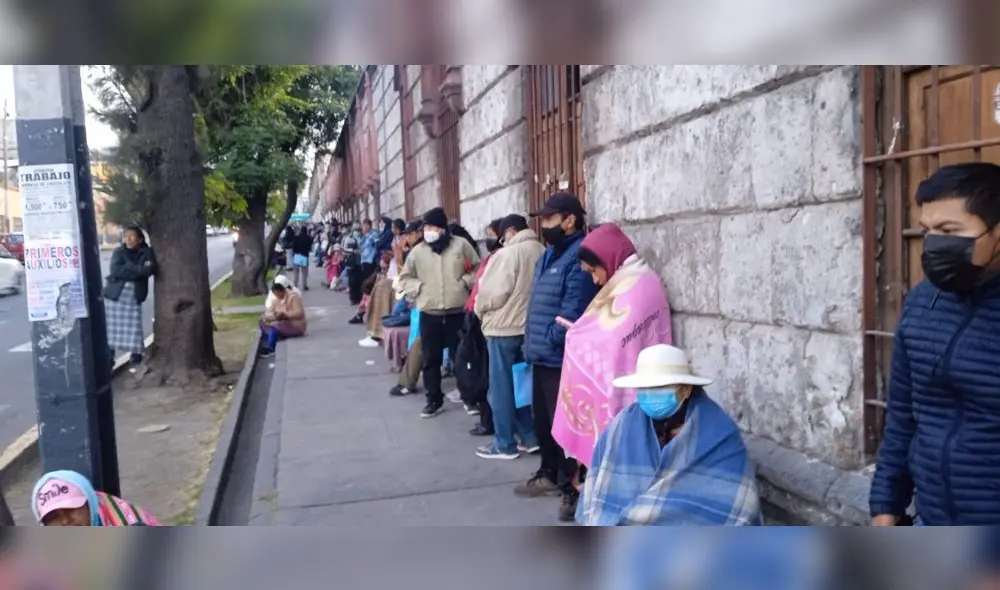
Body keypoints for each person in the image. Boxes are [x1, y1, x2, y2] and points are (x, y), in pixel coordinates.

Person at [870, 162, 1000, 526]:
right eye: (928, 231)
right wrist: (885, 505)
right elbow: (903, 416)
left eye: (949, 230)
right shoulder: (923, 302)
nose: (934, 244)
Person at [552, 223, 673, 499]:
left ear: (608, 258)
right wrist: (581, 333)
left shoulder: (638, 284)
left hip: (637, 388)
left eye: (594, 271)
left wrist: (579, 338)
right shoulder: (628, 280)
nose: (595, 280)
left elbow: (618, 338)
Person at [577, 344, 761, 526]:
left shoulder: (719, 433)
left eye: (660, 387)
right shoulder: (622, 425)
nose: (649, 394)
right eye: (644, 388)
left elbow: (734, 499)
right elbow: (601, 483)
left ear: (686, 389)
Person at [517, 192, 599, 519]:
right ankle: (549, 473)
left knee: (565, 428)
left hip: (560, 358)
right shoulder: (547, 257)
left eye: (550, 219)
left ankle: (571, 489)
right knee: (543, 423)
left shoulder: (578, 258)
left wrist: (551, 340)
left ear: (569, 220)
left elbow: (572, 312)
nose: (544, 225)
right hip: (540, 356)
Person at [473, 214, 546, 457]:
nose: (501, 241)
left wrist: (479, 308)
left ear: (511, 231)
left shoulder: (508, 254)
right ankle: (529, 436)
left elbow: (492, 293)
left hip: (503, 329)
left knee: (501, 390)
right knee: (522, 386)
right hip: (529, 329)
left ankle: (504, 443)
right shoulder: (541, 250)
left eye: (503, 235)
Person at [397, 207, 480, 418]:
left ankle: (469, 397)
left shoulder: (461, 246)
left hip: (457, 312)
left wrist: (465, 282)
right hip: (430, 312)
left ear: (443, 229)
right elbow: (405, 278)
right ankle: (433, 399)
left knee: (462, 357)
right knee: (430, 358)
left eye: (433, 227)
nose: (428, 231)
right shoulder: (418, 252)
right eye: (426, 227)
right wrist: (419, 289)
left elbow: (478, 269)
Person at [457, 218, 505, 436]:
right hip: (476, 314)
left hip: (485, 319)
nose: (488, 239)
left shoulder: (501, 260)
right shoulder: (492, 259)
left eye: (491, 234)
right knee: (480, 370)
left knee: (486, 373)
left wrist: (479, 310)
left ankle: (489, 421)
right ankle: (485, 416)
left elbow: (489, 291)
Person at [104, 226, 156, 367]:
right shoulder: (118, 252)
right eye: (126, 236)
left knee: (134, 326)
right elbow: (115, 271)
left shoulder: (146, 252)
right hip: (115, 295)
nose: (129, 239)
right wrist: (136, 270)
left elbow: (148, 270)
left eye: (132, 236)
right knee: (111, 328)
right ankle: (109, 358)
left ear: (139, 239)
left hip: (134, 295)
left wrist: (127, 267)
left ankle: (136, 353)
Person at [32, 470, 161, 526]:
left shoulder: (127, 523)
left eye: (71, 509)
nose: (66, 521)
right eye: (53, 517)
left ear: (91, 505)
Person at [259, 279, 307, 358]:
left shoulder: (293, 297)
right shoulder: (277, 299)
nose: (276, 296)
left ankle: (271, 348)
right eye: (275, 294)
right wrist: (270, 316)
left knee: (275, 325)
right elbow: (270, 310)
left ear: (282, 291)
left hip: (296, 325)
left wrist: (285, 315)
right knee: (262, 322)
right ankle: (274, 338)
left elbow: (299, 313)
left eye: (277, 294)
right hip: (283, 323)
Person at [343, 221, 365, 305]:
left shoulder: (363, 237)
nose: (357, 231)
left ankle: (359, 298)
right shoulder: (348, 238)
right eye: (356, 229)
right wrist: (353, 251)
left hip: (361, 262)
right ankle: (353, 298)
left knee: (360, 280)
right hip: (351, 262)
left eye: (359, 229)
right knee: (352, 281)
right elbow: (344, 249)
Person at [291, 225, 314, 290]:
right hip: (305, 257)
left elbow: (293, 247)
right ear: (306, 231)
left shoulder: (296, 238)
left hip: (297, 256)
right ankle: (304, 286)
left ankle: (295, 285)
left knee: (296, 272)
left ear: (300, 231)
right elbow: (311, 243)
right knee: (304, 273)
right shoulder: (308, 238)